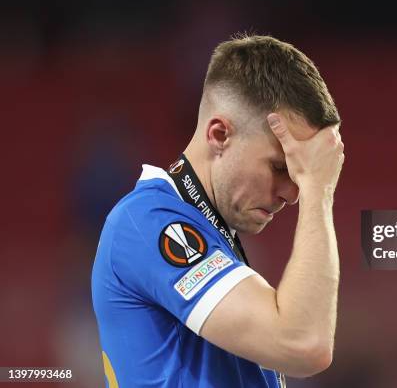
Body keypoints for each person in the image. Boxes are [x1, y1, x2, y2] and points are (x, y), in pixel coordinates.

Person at [91, 34, 345, 387]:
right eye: (280, 167)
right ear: (220, 134)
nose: (293, 194)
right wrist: (319, 189)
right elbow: (304, 343)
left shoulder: (214, 239)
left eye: (301, 175)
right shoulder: (147, 223)